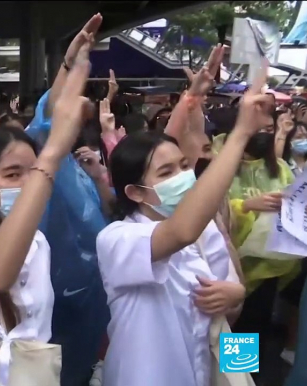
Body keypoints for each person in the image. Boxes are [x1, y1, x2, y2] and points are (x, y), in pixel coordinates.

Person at [96, 66, 271, 385]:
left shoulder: (208, 227)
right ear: (135, 192)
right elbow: (180, 232)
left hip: (208, 370)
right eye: (166, 173)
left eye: (185, 166)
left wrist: (236, 295)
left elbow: (229, 317)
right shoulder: (118, 239)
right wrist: (240, 133)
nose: (184, 178)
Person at [0, 31, 94, 359]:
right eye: (13, 174)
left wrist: (72, 64)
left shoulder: (38, 241)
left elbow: (45, 120)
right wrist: (51, 154)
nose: (28, 184)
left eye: (32, 170)